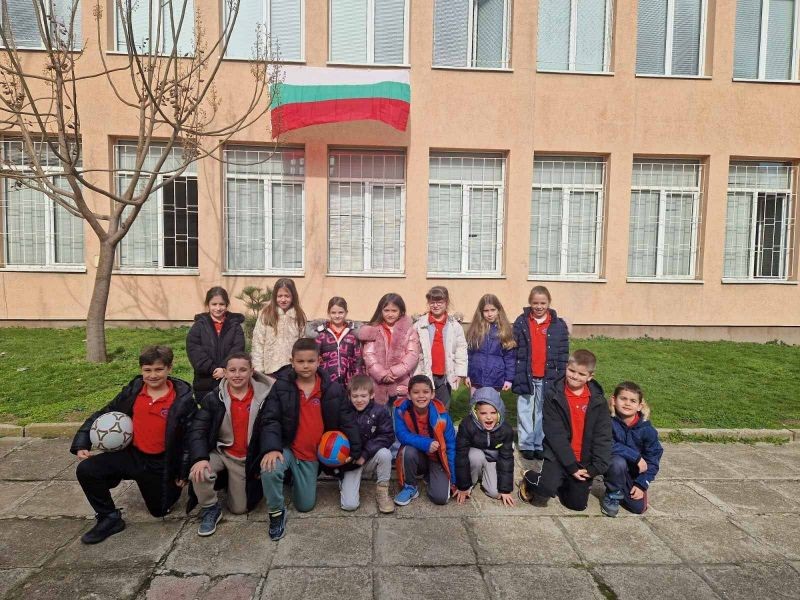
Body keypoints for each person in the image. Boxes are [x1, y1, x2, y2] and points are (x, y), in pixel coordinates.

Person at [71, 346, 195, 544]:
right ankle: (109, 518)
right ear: (141, 370)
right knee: (87, 469)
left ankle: (163, 488)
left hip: (161, 463)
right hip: (133, 455)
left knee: (160, 510)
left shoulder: (182, 400)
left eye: (159, 369)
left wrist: (183, 471)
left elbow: (191, 437)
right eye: (147, 370)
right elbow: (106, 412)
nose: (153, 375)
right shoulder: (134, 391)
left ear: (169, 368)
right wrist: (82, 441)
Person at [254, 338, 362, 540]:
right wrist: (271, 448)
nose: (305, 366)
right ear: (292, 362)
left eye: (310, 361)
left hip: (311, 455)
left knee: (305, 506)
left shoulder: (333, 389)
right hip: (287, 448)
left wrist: (355, 450)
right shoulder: (281, 387)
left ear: (319, 361)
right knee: (270, 467)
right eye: (300, 361)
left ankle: (294, 478)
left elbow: (347, 420)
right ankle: (276, 512)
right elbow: (270, 419)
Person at [185, 352, 272, 536]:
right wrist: (200, 458)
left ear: (252, 371)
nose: (237, 374)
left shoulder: (265, 397)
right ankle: (210, 507)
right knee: (199, 472)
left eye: (243, 370)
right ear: (224, 372)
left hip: (246, 458)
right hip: (222, 452)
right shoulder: (214, 398)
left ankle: (233, 483)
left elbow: (272, 427)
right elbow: (198, 430)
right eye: (232, 370)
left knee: (240, 509)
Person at [519, 349, 611, 512]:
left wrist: (595, 468)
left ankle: (563, 482)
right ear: (566, 367)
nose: (575, 376)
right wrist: (571, 466)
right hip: (558, 455)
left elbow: (603, 435)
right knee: (543, 494)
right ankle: (530, 476)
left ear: (590, 376)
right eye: (571, 371)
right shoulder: (553, 394)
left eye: (581, 374)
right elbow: (555, 434)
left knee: (577, 505)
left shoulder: (598, 400)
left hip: (583, 458)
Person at [512, 285, 570, 460]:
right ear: (530, 303)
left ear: (549, 303)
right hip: (526, 374)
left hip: (548, 376)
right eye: (535, 303)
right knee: (524, 410)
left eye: (543, 303)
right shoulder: (522, 321)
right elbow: (514, 349)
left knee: (542, 411)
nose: (539, 307)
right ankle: (526, 444)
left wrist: (561, 375)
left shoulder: (558, 325)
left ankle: (539, 443)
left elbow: (563, 352)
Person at [601, 381, 663, 517]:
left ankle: (623, 485)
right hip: (612, 464)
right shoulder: (606, 421)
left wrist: (642, 484)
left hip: (634, 472)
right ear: (614, 400)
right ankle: (612, 492)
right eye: (623, 398)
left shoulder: (647, 430)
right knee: (617, 462)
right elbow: (605, 443)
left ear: (640, 406)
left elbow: (653, 459)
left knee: (638, 508)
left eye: (633, 401)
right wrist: (636, 457)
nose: (627, 403)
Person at [393, 375, 457, 507]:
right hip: (417, 455)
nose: (421, 396)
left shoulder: (442, 415)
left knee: (441, 498)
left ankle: (430, 477)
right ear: (409, 395)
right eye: (416, 392)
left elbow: (451, 446)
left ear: (432, 394)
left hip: (437, 458)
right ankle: (410, 486)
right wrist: (426, 443)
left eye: (426, 392)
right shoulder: (400, 409)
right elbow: (402, 435)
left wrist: (454, 480)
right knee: (407, 450)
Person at [338, 375, 395, 514]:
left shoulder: (380, 411)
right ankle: (343, 481)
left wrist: (365, 454)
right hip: (351, 461)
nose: (359, 400)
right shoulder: (344, 412)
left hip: (369, 457)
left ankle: (382, 491)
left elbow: (387, 436)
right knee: (349, 505)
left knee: (385, 454)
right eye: (355, 396)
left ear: (372, 395)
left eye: (363, 396)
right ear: (349, 396)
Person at [454, 387, 515, 506]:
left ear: (499, 412)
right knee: (474, 456)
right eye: (483, 413)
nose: (489, 417)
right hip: (476, 458)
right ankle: (471, 482)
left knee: (495, 493)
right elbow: (461, 456)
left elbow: (506, 459)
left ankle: (485, 475)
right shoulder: (467, 425)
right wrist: (462, 486)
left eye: (493, 413)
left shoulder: (506, 430)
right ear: (475, 413)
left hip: (493, 461)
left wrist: (505, 489)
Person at [357, 293, 421, 406]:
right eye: (386, 310)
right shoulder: (373, 330)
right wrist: (382, 374)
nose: (390, 314)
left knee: (400, 412)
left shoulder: (409, 331)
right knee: (380, 413)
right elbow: (369, 355)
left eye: (394, 311)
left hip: (401, 381)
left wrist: (393, 372)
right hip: (378, 383)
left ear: (401, 312)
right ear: (380, 311)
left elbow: (412, 355)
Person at [413, 286, 467, 410]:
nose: (436, 305)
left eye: (439, 302)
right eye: (432, 302)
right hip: (425, 373)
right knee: (423, 408)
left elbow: (461, 349)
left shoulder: (454, 326)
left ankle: (441, 422)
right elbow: (413, 350)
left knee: (442, 408)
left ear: (446, 303)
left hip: (445, 376)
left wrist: (460, 373)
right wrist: (416, 372)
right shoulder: (419, 325)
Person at [185, 286, 245, 399]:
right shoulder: (199, 326)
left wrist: (225, 369)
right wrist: (213, 369)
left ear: (226, 304)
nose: (218, 308)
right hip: (205, 382)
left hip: (229, 380)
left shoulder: (235, 326)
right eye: (214, 304)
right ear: (208, 305)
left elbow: (237, 349)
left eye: (222, 304)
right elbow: (194, 350)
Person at [251, 278, 307, 377]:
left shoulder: (298, 316)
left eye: (287, 296)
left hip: (291, 369)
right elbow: (258, 342)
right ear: (274, 296)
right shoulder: (266, 314)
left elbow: (302, 344)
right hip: (270, 369)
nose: (283, 300)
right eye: (280, 296)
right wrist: (258, 368)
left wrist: (301, 365)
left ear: (293, 296)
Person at [305, 296, 363, 387]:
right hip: (326, 381)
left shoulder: (352, 334)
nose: (337, 316)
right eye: (333, 312)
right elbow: (315, 357)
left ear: (346, 313)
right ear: (328, 313)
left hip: (349, 382)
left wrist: (358, 378)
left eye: (340, 312)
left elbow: (357, 358)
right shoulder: (321, 333)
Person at [465, 293, 516, 393]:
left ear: (498, 310)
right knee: (475, 402)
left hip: (496, 378)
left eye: (493, 310)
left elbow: (510, 357)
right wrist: (466, 374)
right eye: (486, 311)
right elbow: (468, 355)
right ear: (481, 312)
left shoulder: (504, 331)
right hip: (476, 378)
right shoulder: (475, 330)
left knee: (492, 403)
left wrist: (509, 379)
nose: (489, 314)